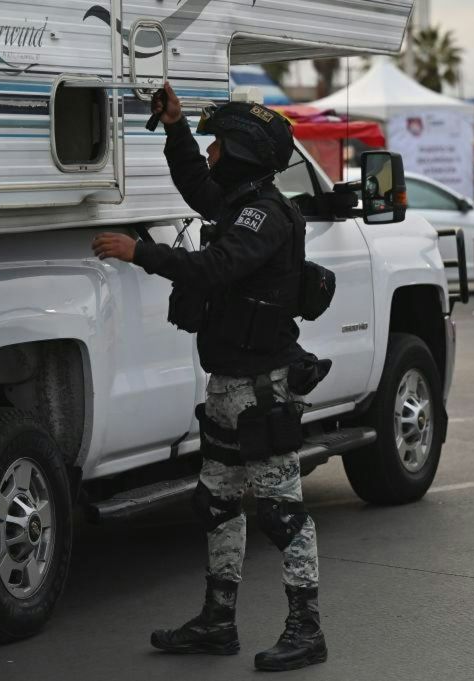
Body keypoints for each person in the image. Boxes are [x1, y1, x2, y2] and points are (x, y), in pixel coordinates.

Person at [92, 83, 328, 671]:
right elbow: (195, 184)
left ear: (243, 153)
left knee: (281, 511)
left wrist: (141, 253)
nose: (212, 153)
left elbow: (217, 266)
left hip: (262, 387)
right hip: (227, 384)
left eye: (218, 144)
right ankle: (218, 622)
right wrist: (175, 127)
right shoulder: (238, 202)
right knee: (217, 504)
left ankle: (306, 629)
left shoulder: (264, 215)